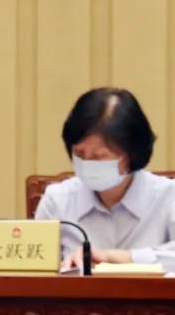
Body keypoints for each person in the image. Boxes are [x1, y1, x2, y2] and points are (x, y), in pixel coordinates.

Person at [36, 87, 175, 271]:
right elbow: (36, 270)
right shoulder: (57, 201)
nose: (86, 163)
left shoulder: (168, 197)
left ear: (130, 155)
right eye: (79, 154)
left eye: (98, 156)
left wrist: (120, 258)